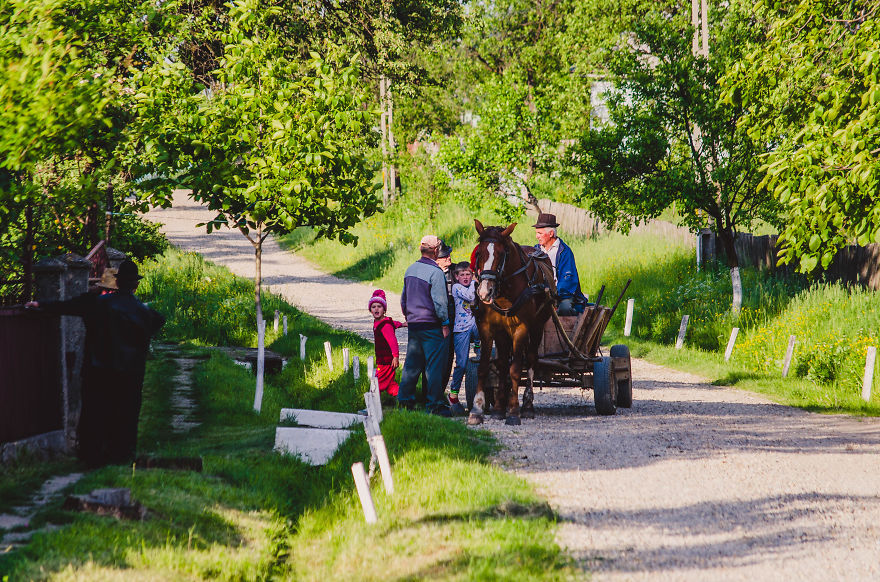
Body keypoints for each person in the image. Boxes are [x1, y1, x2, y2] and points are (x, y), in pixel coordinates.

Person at [25, 260, 165, 467]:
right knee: (125, 413)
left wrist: (41, 305)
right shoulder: (144, 312)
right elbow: (158, 322)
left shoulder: (99, 304)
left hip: (98, 367)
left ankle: (92, 454)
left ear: (117, 283)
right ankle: (121, 453)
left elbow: (69, 306)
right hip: (130, 372)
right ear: (135, 285)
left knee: (95, 412)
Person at [398, 235, 452, 416]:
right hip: (431, 325)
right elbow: (440, 303)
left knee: (412, 365)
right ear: (436, 251)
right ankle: (434, 404)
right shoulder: (435, 273)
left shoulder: (410, 269)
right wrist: (444, 324)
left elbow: (404, 299)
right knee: (434, 367)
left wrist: (408, 316)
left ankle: (405, 402)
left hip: (414, 324)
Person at [533, 213, 588, 315]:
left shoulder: (564, 252)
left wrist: (554, 295)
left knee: (565, 308)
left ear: (551, 234)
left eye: (540, 233)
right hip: (540, 293)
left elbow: (568, 278)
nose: (537, 236)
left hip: (561, 295)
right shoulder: (535, 250)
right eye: (536, 233)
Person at [449, 262, 478, 415]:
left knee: (483, 329)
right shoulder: (456, 288)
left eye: (468, 274)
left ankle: (479, 350)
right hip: (460, 328)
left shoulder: (474, 283)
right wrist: (475, 283)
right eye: (462, 275)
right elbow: (471, 296)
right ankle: (453, 394)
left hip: (474, 325)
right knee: (461, 363)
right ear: (456, 276)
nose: (465, 277)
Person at [369, 289, 406, 398]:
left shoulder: (385, 325)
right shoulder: (379, 322)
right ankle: (404, 398)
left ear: (384, 309)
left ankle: (371, 403)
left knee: (377, 383)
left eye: (379, 306)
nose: (376, 309)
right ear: (370, 310)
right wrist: (402, 324)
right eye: (373, 306)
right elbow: (393, 323)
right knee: (390, 385)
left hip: (386, 361)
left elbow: (392, 341)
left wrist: (395, 357)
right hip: (383, 360)